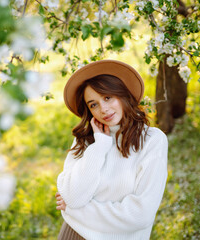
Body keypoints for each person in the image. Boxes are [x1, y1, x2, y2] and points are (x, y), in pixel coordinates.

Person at [55, 60, 168, 240]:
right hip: (74, 234)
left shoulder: (152, 141)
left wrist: (75, 210)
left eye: (107, 97)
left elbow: (140, 215)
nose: (103, 109)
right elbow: (73, 196)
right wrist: (100, 145)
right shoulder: (86, 138)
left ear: (122, 94)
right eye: (93, 105)